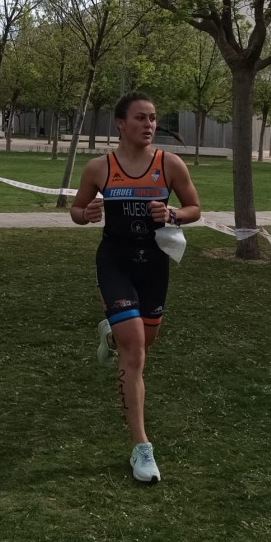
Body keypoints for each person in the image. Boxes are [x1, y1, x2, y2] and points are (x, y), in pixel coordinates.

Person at [69, 92, 201, 484]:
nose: (149, 125)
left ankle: (110, 338)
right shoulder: (99, 168)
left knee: (143, 342)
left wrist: (174, 212)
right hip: (115, 263)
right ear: (120, 124)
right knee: (136, 352)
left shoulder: (169, 165)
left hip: (154, 265)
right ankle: (142, 447)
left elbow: (195, 208)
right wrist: (86, 214)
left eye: (154, 118)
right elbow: (76, 211)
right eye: (141, 118)